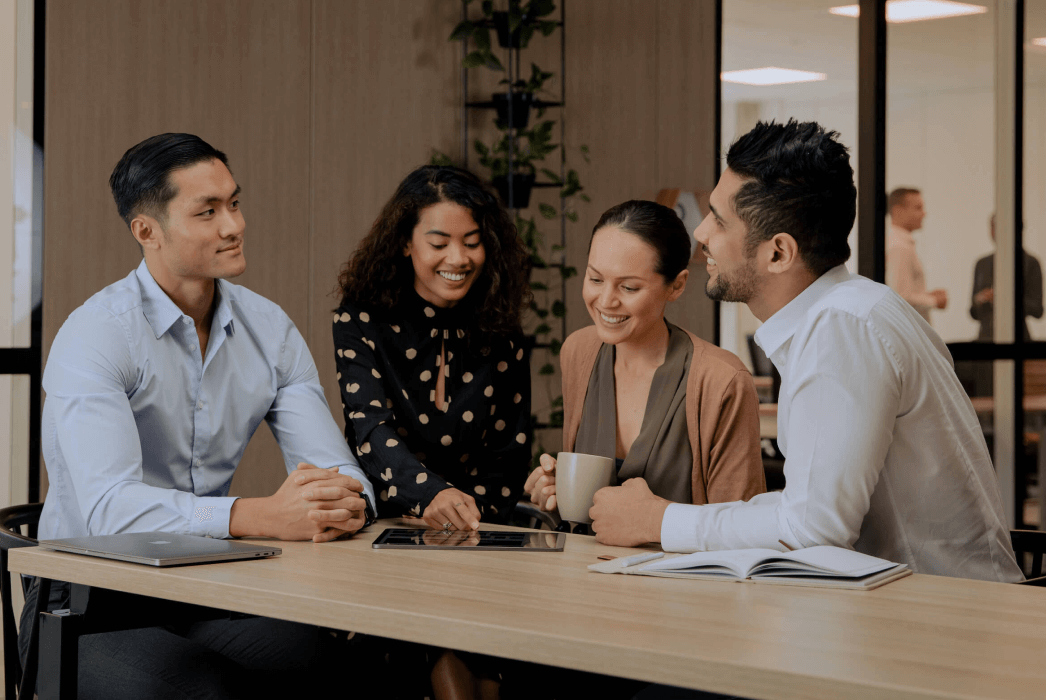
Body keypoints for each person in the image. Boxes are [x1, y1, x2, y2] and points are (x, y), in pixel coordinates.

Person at [588, 120, 1023, 586]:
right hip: (921, 602)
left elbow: (815, 529)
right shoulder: (857, 308)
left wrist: (658, 521)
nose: (701, 232)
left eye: (719, 219)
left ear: (778, 253)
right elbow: (808, 509)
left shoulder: (842, 329)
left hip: (948, 613)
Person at [21, 133, 377, 700]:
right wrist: (257, 515)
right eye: (207, 212)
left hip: (206, 587)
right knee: (206, 689)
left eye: (234, 203)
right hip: (85, 602)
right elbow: (110, 511)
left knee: (350, 667)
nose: (234, 225)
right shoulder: (97, 334)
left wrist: (340, 500)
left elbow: (339, 471)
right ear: (147, 231)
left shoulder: (270, 329)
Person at [332, 164, 532, 700]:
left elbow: (509, 456)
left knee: (481, 655)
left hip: (480, 536)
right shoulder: (359, 322)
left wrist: (462, 522)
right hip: (389, 533)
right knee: (441, 643)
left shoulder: (504, 335)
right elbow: (370, 433)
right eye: (439, 243)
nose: (458, 259)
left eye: (472, 242)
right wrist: (431, 499)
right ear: (405, 243)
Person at [523, 200, 765, 520]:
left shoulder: (721, 380)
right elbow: (578, 514)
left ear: (676, 286)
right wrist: (557, 491)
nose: (606, 301)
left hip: (677, 557)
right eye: (595, 279)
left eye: (628, 287)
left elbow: (740, 526)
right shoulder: (578, 351)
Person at [970, 213, 1043, 341]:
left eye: (1000, 227)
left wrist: (1005, 298)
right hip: (986, 337)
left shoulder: (1030, 263)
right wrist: (982, 298)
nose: (995, 232)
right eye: (993, 227)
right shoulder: (982, 264)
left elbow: (1037, 310)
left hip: (1018, 336)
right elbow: (973, 312)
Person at [886, 186, 948, 323]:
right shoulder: (899, 247)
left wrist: (926, 295)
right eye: (918, 208)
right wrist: (934, 300)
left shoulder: (900, 243)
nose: (924, 214)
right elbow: (900, 296)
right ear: (897, 211)